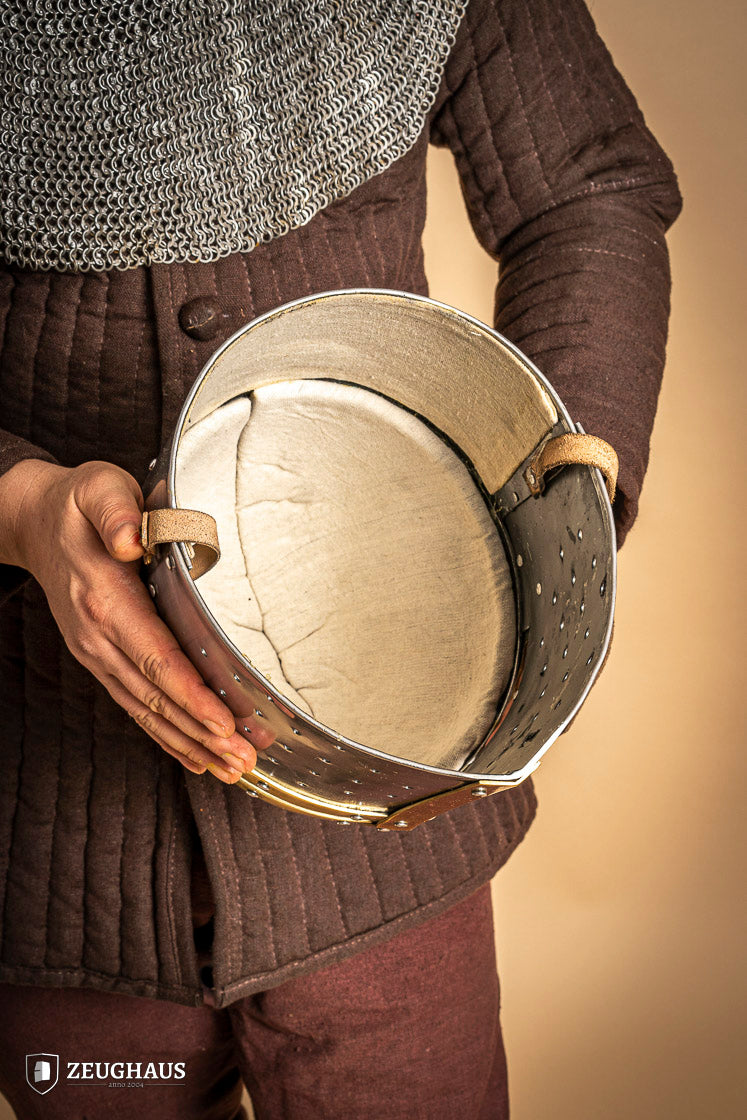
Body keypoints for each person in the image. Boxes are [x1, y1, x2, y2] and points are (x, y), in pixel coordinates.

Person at [0, 1, 681, 1116]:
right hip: (52, 854)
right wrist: (23, 507)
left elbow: (585, 186)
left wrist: (560, 521)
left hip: (394, 832)